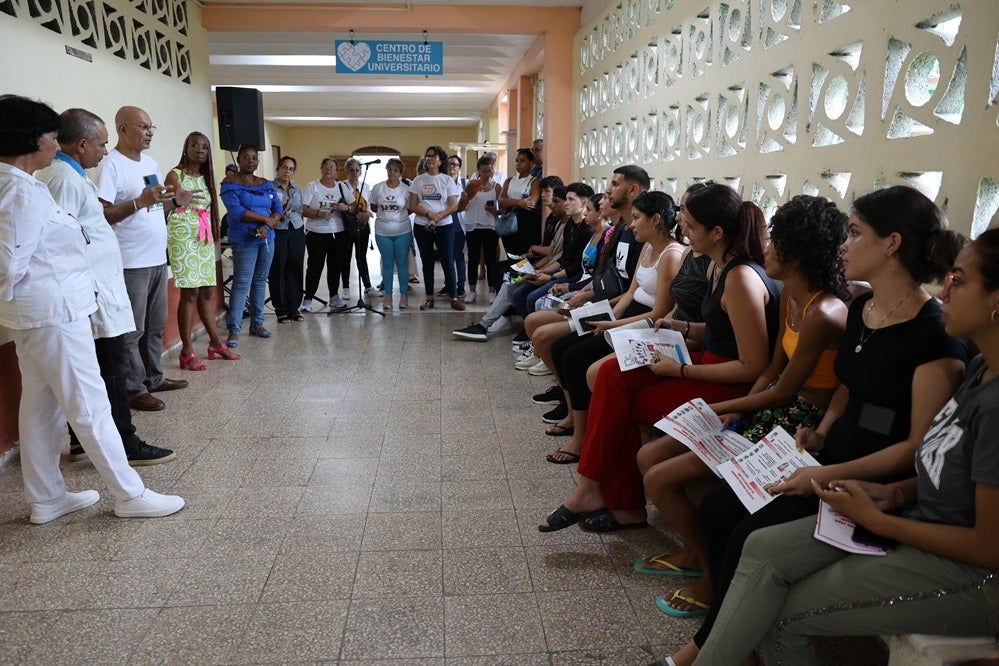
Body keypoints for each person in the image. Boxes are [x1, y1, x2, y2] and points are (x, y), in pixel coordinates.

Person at [656, 185, 968, 666]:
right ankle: (734, 628)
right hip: (827, 452)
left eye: (857, 233)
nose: (844, 245)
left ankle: (712, 644)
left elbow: (915, 447)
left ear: (892, 244)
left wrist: (820, 472)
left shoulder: (933, 336)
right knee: (720, 506)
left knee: (748, 534)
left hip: (871, 478)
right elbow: (848, 386)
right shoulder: (864, 309)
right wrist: (821, 433)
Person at [635, 195, 850, 618]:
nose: (764, 247)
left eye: (774, 241)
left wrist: (721, 409)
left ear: (799, 251)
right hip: (769, 408)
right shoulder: (792, 297)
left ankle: (712, 578)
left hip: (797, 425)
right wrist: (738, 409)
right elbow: (771, 370)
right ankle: (697, 554)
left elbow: (785, 392)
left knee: (660, 479)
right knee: (649, 456)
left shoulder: (825, 310)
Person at [539, 183, 780, 533]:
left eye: (691, 226)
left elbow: (752, 366)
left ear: (716, 232)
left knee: (619, 398)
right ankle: (596, 491)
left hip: (729, 384)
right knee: (610, 374)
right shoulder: (718, 265)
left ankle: (609, 497)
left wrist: (680, 369)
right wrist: (679, 326)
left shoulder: (740, 277)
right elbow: (719, 331)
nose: (682, 229)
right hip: (704, 361)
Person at [0, 94, 184, 522]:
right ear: (32, 139)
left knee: (41, 406)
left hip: (41, 313)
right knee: (90, 403)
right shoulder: (20, 191)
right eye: (50, 135)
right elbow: (10, 265)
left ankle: (46, 498)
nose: (55, 142)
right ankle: (129, 493)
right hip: (53, 313)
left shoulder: (21, 184)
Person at [34, 107, 175, 466]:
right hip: (91, 290)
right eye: (101, 143)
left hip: (100, 286)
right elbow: (63, 241)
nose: (105, 150)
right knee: (110, 368)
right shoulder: (64, 180)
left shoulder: (73, 175)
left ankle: (85, 442)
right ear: (82, 145)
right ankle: (125, 442)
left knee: (106, 364)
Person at [94, 105, 190, 412]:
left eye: (152, 127)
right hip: (129, 261)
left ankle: (153, 376)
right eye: (143, 127)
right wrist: (138, 201)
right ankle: (133, 389)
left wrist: (175, 201)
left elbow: (153, 208)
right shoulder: (111, 165)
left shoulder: (149, 162)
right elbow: (101, 214)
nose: (149, 132)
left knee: (155, 325)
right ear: (123, 129)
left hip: (157, 259)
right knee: (133, 330)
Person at [163, 131, 239, 368]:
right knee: (190, 293)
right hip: (183, 236)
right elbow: (166, 207)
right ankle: (186, 351)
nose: (200, 150)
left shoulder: (206, 177)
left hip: (203, 235)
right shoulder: (174, 175)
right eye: (195, 145)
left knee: (207, 291)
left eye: (204, 147)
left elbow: (210, 209)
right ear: (186, 148)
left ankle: (215, 342)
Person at [220, 144, 281, 346]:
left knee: (260, 280)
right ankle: (234, 330)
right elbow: (237, 212)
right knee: (241, 284)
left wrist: (269, 225)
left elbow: (277, 209)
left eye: (254, 158)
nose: (250, 161)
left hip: (266, 238)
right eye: (246, 157)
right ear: (239, 160)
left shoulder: (265, 184)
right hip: (244, 239)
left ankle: (257, 324)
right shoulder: (230, 184)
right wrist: (267, 220)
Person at [409, 145, 463, 311]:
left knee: (447, 260)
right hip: (422, 225)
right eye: (428, 155)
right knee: (427, 262)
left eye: (433, 156)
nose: (429, 158)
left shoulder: (447, 180)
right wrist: (428, 213)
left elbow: (453, 205)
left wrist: (438, 217)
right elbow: (412, 205)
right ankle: (429, 298)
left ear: (441, 161)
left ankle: (453, 297)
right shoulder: (418, 180)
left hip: (444, 226)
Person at [302, 157, 350, 312]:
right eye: (326, 167)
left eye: (332, 167)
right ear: (321, 169)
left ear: (337, 171)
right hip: (316, 233)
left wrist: (346, 207)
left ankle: (334, 296)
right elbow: (303, 209)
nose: (329, 169)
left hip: (338, 233)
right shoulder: (312, 186)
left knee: (335, 266)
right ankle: (308, 299)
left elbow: (354, 206)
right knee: (315, 266)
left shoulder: (342, 187)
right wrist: (318, 213)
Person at [370, 157, 412, 311]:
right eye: (390, 169)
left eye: (395, 170)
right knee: (387, 264)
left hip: (402, 231)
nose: (392, 172)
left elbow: (410, 208)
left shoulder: (406, 189)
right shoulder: (378, 188)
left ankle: (403, 296)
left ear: (400, 173)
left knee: (402, 263)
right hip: (382, 232)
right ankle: (388, 295)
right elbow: (374, 206)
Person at [458, 155, 501, 304]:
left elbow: (501, 210)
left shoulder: (497, 187)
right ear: (478, 171)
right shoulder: (472, 185)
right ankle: (472, 291)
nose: (487, 174)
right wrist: (463, 199)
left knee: (491, 260)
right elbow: (460, 208)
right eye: (484, 171)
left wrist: (493, 210)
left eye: (489, 170)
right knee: (473, 258)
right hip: (473, 225)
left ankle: (491, 290)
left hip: (490, 225)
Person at [269, 156, 306, 322]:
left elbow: (300, 209)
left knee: (296, 267)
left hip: (296, 229)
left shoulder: (297, 189)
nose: (287, 171)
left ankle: (294, 307)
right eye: (284, 167)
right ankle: (281, 309)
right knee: (279, 268)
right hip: (279, 230)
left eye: (291, 169)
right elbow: (265, 208)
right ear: (278, 168)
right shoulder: (269, 187)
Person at [340, 157, 374, 299]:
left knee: (361, 257)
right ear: (347, 171)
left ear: (360, 172)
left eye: (357, 170)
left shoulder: (365, 186)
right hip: (346, 228)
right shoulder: (341, 186)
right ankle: (346, 288)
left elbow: (370, 206)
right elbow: (341, 207)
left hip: (362, 227)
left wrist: (367, 214)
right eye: (351, 170)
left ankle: (367, 286)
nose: (354, 173)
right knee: (345, 258)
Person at [446, 154, 468, 300]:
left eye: (455, 164)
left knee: (458, 256)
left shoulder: (465, 183)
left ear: (459, 168)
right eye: (449, 164)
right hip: (445, 221)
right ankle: (449, 284)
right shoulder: (441, 181)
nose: (452, 167)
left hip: (459, 223)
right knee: (446, 257)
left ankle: (460, 285)